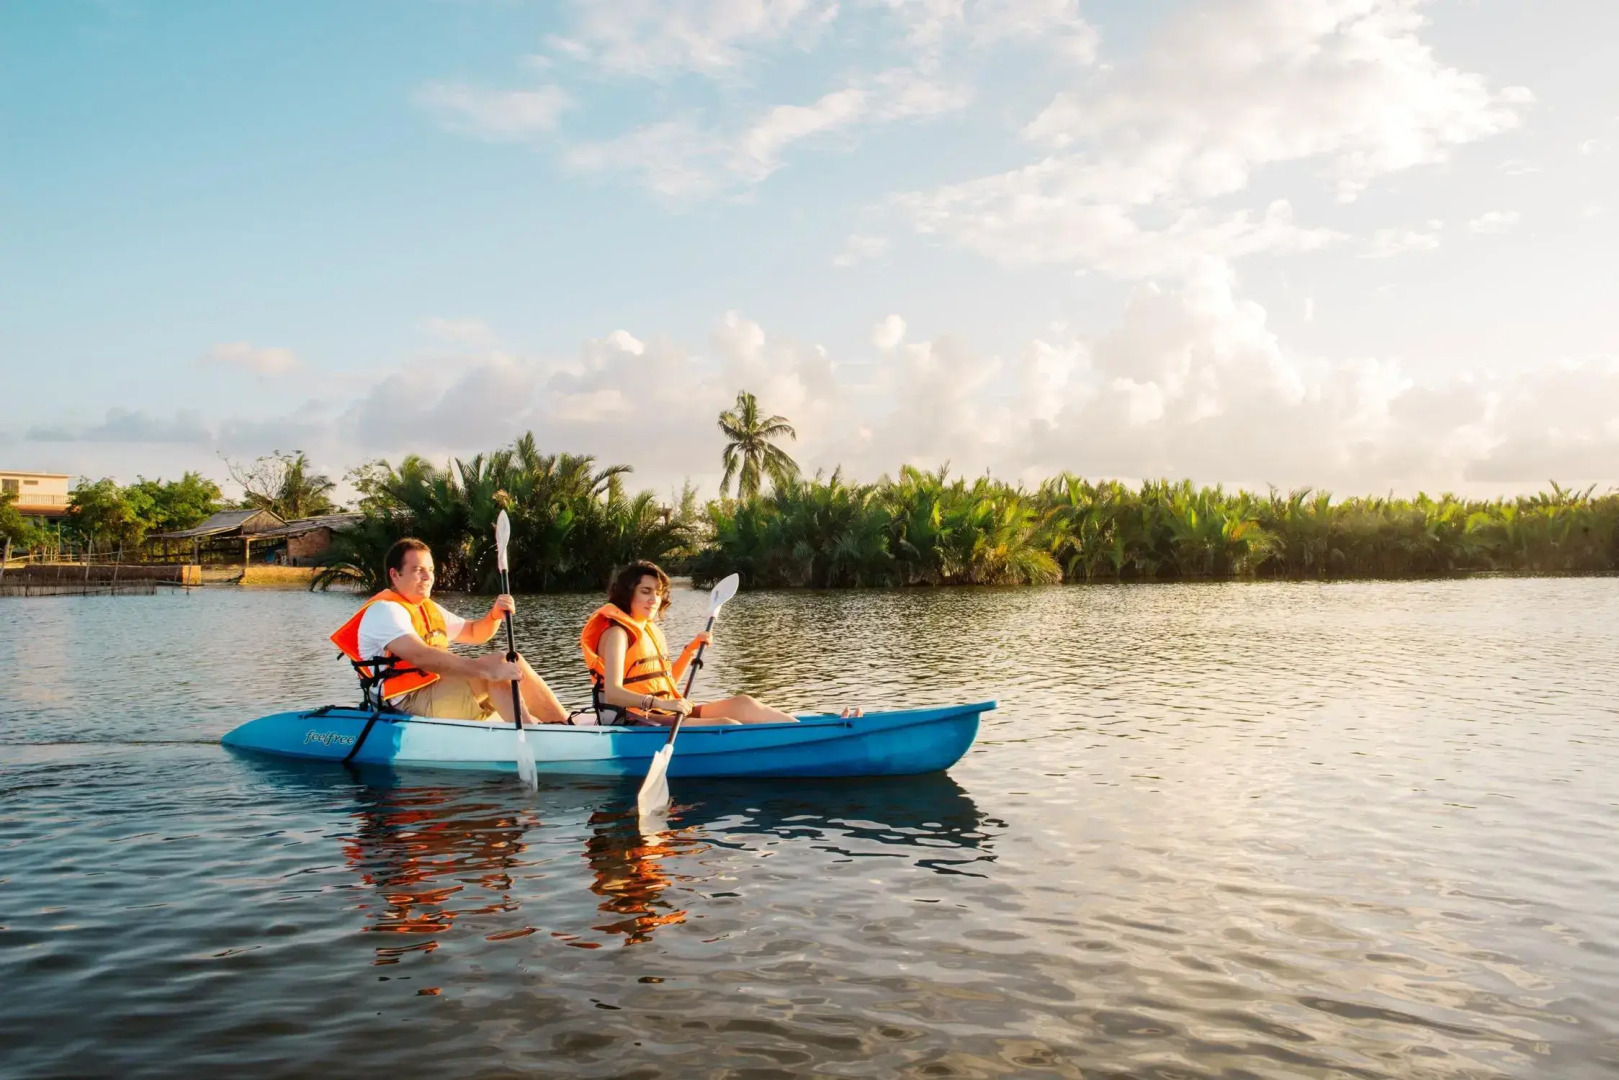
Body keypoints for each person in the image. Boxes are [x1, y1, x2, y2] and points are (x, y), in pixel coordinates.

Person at [331, 537, 567, 725]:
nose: (428, 577)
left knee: (511, 661)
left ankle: (562, 725)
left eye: (431, 570)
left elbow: (475, 632)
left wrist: (493, 615)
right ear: (395, 574)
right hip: (406, 702)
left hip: (435, 689)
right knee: (496, 669)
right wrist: (486, 669)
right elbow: (421, 656)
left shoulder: (426, 608)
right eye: (417, 570)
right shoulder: (384, 611)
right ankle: (534, 736)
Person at [580, 561, 798, 727]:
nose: (654, 600)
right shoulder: (618, 633)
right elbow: (613, 694)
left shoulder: (648, 629)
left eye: (658, 593)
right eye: (645, 592)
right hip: (633, 718)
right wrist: (661, 705)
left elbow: (664, 684)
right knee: (726, 725)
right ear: (628, 593)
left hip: (662, 711)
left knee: (744, 704)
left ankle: (808, 734)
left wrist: (690, 650)